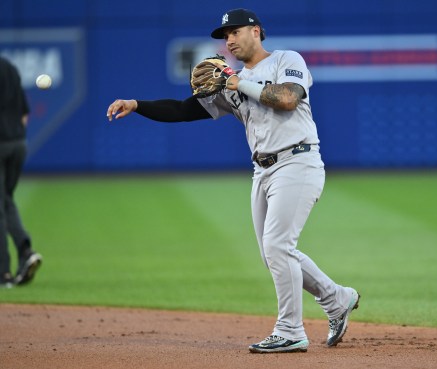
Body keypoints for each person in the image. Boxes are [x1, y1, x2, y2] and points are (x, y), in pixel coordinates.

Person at [107, 8, 360, 353]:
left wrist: (237, 81)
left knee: (277, 247)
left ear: (255, 31)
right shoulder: (228, 81)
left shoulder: (286, 60)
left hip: (298, 161)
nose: (228, 40)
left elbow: (287, 98)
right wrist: (137, 104)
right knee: (274, 251)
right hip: (263, 170)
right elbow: (183, 110)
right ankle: (337, 299)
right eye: (224, 36)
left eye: (234, 32)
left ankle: (290, 330)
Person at [0, 56, 42, 288]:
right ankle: (26, 251)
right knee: (6, 200)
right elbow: (24, 115)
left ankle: (3, 272)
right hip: (17, 143)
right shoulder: (9, 68)